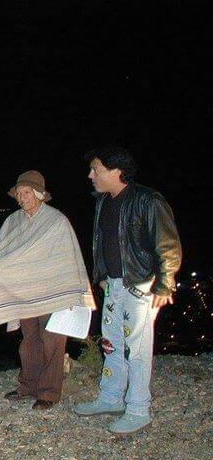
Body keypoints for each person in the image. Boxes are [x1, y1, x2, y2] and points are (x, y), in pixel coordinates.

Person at [0, 170, 95, 410]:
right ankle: (28, 386)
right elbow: (1, 254)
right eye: (18, 194)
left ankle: (49, 393)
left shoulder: (56, 221)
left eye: (26, 193)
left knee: (52, 340)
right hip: (24, 295)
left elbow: (67, 258)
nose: (21, 198)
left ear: (39, 194)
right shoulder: (13, 222)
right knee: (29, 342)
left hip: (52, 293)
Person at [74, 146, 181, 434]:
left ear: (115, 171)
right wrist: (102, 276)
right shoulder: (103, 202)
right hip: (114, 284)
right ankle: (110, 398)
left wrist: (164, 284)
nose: (91, 175)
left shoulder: (148, 200)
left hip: (140, 285)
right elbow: (102, 243)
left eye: (96, 169)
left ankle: (138, 409)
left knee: (137, 349)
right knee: (112, 345)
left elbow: (168, 245)